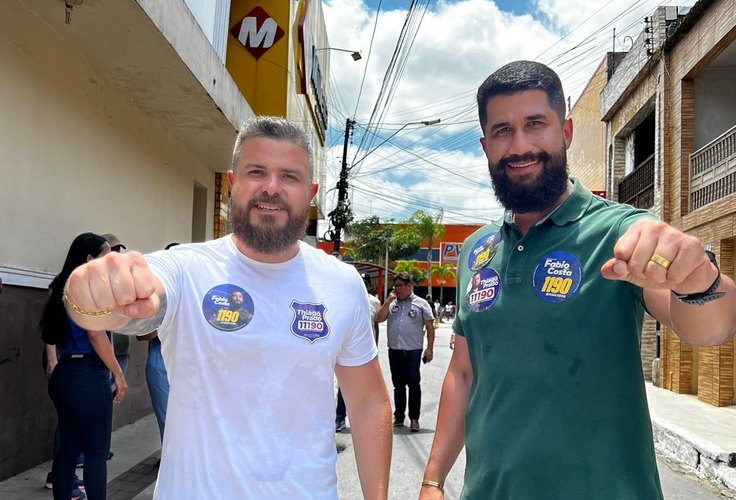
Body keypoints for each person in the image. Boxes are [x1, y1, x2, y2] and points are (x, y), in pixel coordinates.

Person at [419, 61, 736, 500]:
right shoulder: (476, 250)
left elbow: (712, 328)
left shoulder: (621, 232)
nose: (520, 145)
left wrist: (698, 276)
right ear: (485, 144)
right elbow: (464, 371)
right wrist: (433, 479)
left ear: (566, 132)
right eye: (502, 131)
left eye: (535, 124)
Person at [63, 116, 392, 499]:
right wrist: (92, 296)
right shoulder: (186, 268)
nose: (271, 188)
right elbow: (137, 302)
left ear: (311, 192)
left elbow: (369, 403)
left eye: (289, 176)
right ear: (233, 184)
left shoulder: (342, 284)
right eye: (257, 172)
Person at [40, 233, 127, 500]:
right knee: (96, 454)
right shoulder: (88, 290)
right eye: (105, 255)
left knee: (68, 448)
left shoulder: (63, 287)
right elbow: (96, 335)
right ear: (90, 259)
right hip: (88, 376)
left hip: (65, 375)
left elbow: (50, 336)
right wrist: (119, 373)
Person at [376, 272, 435, 432]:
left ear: (409, 286)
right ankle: (399, 417)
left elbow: (430, 326)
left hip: (413, 351)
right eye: (395, 286)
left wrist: (429, 348)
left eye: (401, 286)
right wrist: (388, 301)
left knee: (414, 384)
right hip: (395, 350)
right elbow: (378, 319)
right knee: (398, 385)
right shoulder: (392, 303)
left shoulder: (421, 303)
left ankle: (414, 418)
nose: (397, 289)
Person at [336, 273, 382, 432]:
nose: (363, 284)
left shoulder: (374, 302)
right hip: (346, 349)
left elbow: (375, 325)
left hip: (367, 351)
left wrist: (376, 347)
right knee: (344, 386)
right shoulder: (344, 297)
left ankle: (365, 422)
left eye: (366, 282)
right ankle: (340, 417)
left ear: (369, 285)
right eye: (361, 281)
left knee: (367, 388)